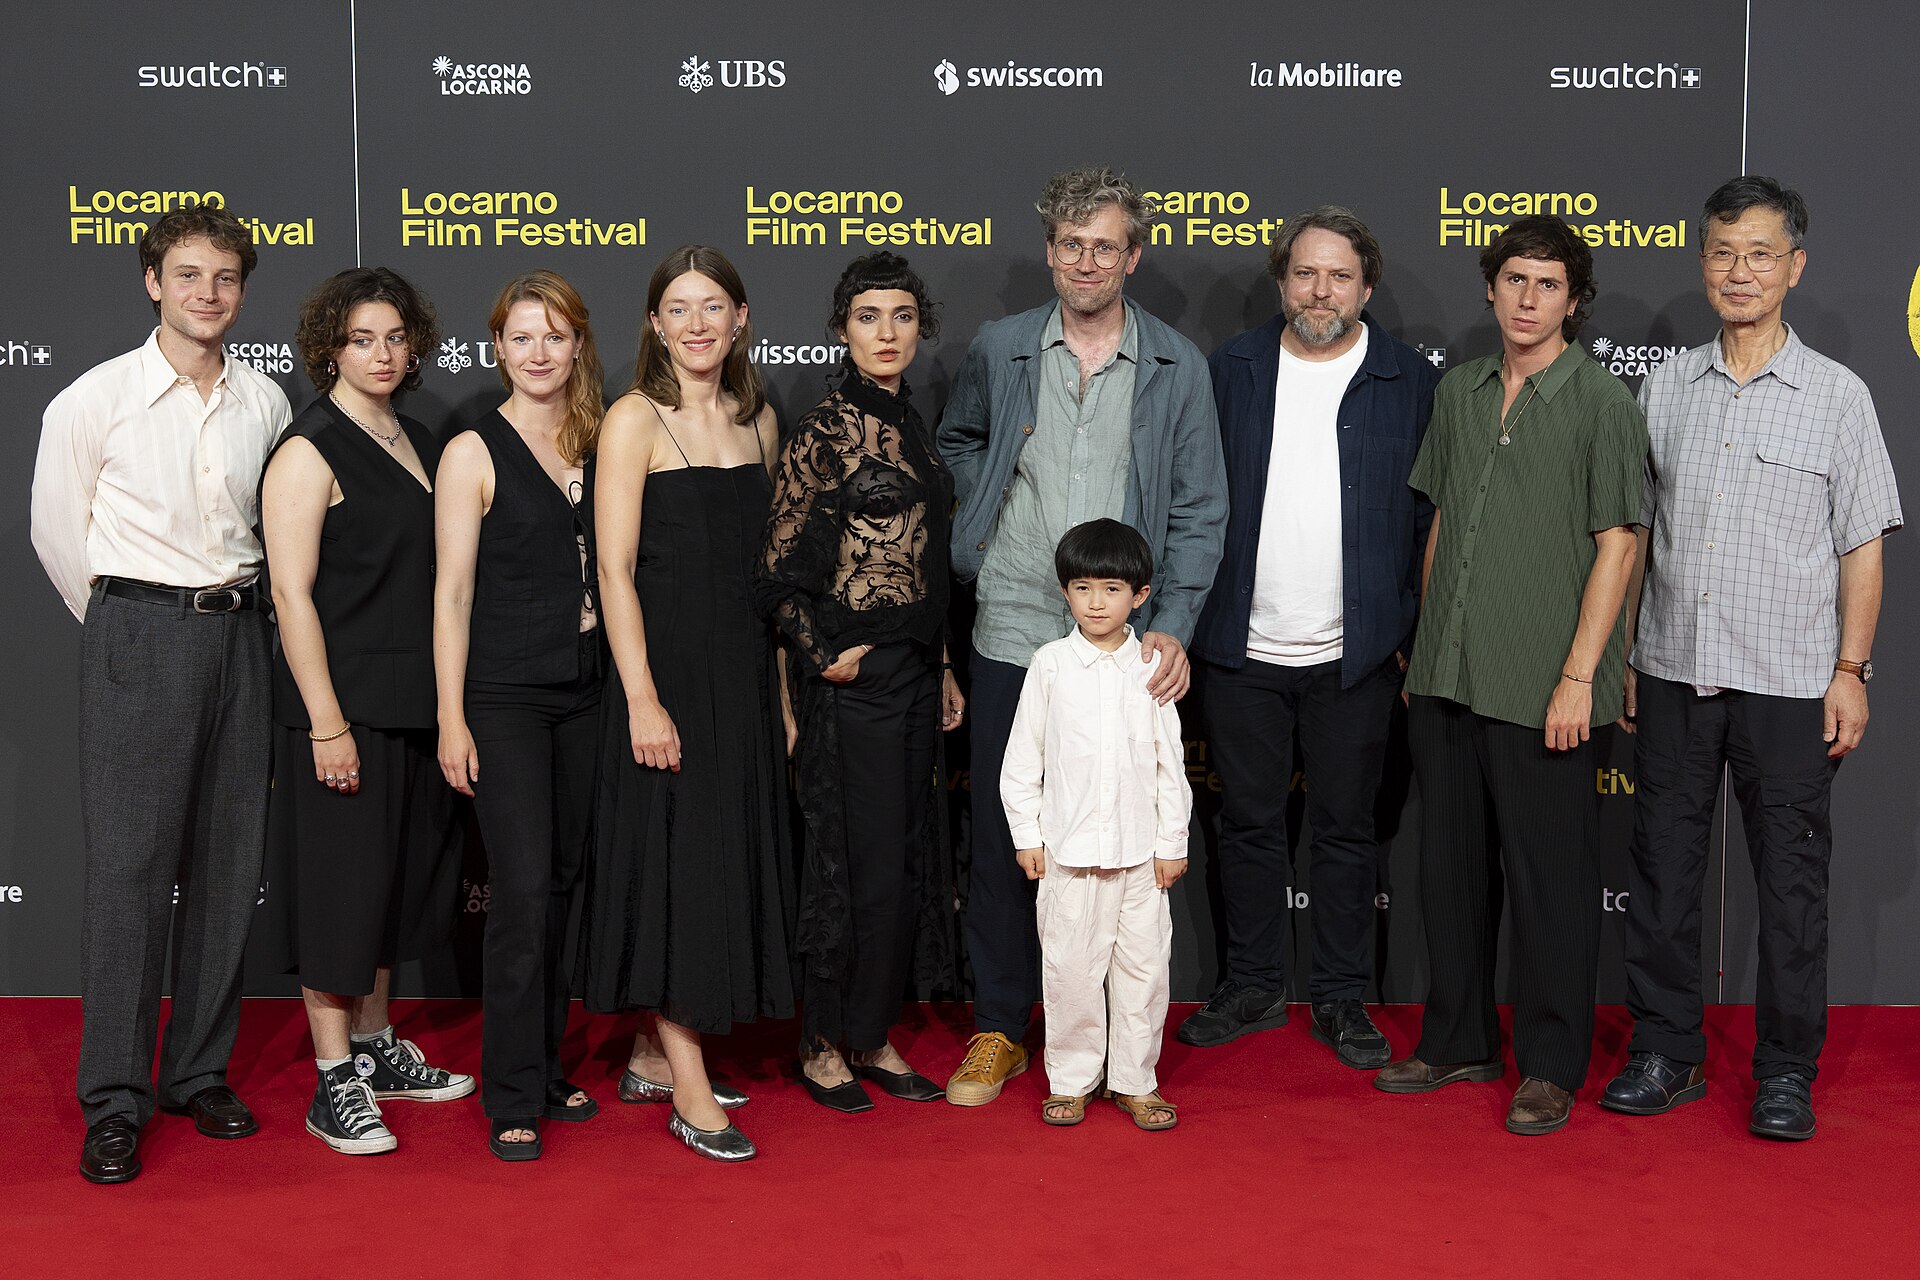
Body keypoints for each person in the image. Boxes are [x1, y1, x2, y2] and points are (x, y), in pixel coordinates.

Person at [1603, 177, 1902, 1141]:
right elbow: (1638, 533)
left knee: (1792, 889)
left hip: (1791, 684)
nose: (1741, 272)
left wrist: (1851, 671)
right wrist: (1627, 657)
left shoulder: (1839, 397)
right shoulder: (1665, 387)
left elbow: (1863, 545)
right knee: (1662, 873)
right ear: (1703, 264)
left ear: (1795, 268)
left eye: (1761, 254)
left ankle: (1784, 1070)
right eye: (1724, 253)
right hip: (1673, 670)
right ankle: (1666, 1050)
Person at [936, 165, 1226, 1106]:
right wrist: (990, 516)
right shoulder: (1003, 346)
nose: (1088, 262)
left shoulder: (1176, 364)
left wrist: (1172, 624)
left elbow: (1200, 509)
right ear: (1051, 253)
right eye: (1072, 245)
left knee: (1121, 848)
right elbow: (959, 443)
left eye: (1106, 246)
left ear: (1133, 256)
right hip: (1016, 625)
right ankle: (997, 1027)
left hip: (1128, 645)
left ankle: (1116, 1050)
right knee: (1005, 834)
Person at [31, 203, 291, 1185]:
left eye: (225, 277)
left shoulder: (265, 400)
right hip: (138, 632)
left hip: (244, 633)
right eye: (187, 274)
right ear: (152, 281)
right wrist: (129, 626)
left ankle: (198, 1071)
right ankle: (114, 1098)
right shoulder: (93, 399)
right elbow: (58, 536)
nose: (207, 294)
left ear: (242, 289)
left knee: (229, 863)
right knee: (129, 875)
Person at [1376, 216, 1647, 1136]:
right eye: (1515, 280)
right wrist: (1426, 645)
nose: (1529, 299)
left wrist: (1580, 676)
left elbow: (1619, 547)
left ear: (1574, 301)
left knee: (1552, 885)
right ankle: (1457, 1040)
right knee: (1449, 872)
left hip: (1545, 686)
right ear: (1492, 289)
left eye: (1548, 284)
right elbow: (1444, 524)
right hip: (1448, 674)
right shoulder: (1459, 391)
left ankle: (1552, 1064)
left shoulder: (1603, 403)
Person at [1181, 207, 1439, 1066]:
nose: (1320, 291)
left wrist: (1410, 631)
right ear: (1281, 281)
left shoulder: (1409, 380)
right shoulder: (1231, 370)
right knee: (1247, 825)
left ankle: (1339, 996)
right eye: (1305, 273)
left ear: (1366, 287)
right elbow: (1190, 497)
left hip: (1357, 656)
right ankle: (1252, 984)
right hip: (1241, 649)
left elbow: (1432, 520)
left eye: (1339, 276)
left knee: (1346, 832)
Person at [576, 246, 794, 1162]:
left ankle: (651, 1058)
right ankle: (691, 1090)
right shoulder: (633, 418)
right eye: (679, 308)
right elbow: (613, 571)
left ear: (740, 319)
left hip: (741, 679)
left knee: (716, 862)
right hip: (663, 676)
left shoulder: (760, 420)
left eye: (713, 306)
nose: (697, 323)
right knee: (678, 871)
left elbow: (771, 578)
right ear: (655, 324)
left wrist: (780, 696)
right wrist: (641, 699)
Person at [260, 267, 473, 1157]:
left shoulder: (417, 439)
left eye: (394, 338)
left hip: (414, 706)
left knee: (389, 891)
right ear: (330, 349)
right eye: (361, 340)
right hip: (343, 709)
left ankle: (377, 1046)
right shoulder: (308, 448)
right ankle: (332, 1077)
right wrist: (326, 722)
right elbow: (290, 594)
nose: (381, 354)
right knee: (340, 897)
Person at [757, 252, 965, 1112]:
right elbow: (778, 574)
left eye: (903, 316)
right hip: (854, 685)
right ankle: (821, 1045)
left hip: (915, 674)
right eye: (869, 316)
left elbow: (927, 565)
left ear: (921, 328)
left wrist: (941, 663)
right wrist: (823, 658)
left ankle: (872, 1034)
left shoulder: (913, 421)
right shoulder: (826, 429)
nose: (887, 332)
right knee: (848, 864)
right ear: (842, 330)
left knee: (902, 862)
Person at [434, 271, 607, 1160]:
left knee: (567, 885)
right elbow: (452, 594)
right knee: (523, 890)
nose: (539, 352)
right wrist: (451, 717)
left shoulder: (600, 438)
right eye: (522, 336)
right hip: (504, 698)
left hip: (588, 689)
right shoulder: (473, 450)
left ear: (578, 345)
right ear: (498, 347)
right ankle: (509, 1089)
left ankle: (544, 1066)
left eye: (555, 336)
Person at [1001, 519, 1190, 1130]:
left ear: (1140, 595)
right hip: (1069, 857)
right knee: (1071, 975)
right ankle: (1073, 1080)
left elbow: (1169, 765)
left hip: (1141, 861)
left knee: (1143, 974)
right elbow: (1023, 759)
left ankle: (1136, 1081)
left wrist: (1172, 842)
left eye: (1112, 589)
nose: (1096, 602)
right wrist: (1027, 836)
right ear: (1065, 593)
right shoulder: (1050, 665)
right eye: (1082, 588)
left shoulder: (1150, 667)